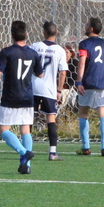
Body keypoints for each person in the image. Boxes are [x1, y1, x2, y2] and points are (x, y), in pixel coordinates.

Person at [0, 20, 43, 174]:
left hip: (11, 96)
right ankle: (26, 166)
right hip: (27, 96)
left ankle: (23, 152)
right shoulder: (33, 53)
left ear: (12, 35)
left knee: (2, 130)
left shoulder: (6, 52)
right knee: (25, 130)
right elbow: (40, 74)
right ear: (26, 34)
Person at [75, 17, 104, 156]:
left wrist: (79, 82)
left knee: (83, 113)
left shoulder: (84, 44)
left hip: (88, 83)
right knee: (103, 113)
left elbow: (82, 63)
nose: (85, 26)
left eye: (87, 25)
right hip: (103, 84)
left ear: (91, 28)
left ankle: (86, 147)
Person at [29, 21, 68, 160]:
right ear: (56, 33)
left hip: (32, 88)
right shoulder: (60, 50)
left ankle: (27, 150)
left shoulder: (34, 46)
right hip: (49, 90)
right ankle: (52, 152)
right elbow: (63, 72)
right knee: (50, 119)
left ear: (44, 32)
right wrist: (59, 90)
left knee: (29, 118)